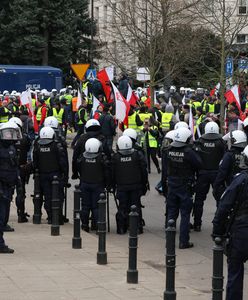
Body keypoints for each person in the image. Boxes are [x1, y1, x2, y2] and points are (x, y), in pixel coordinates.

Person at [212, 145, 248, 300]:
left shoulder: (241, 179)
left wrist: (217, 231)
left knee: (235, 272)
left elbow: (224, 206)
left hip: (241, 230)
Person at [161, 127, 202, 249]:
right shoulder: (189, 152)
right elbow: (199, 164)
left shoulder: (168, 150)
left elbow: (165, 168)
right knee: (185, 214)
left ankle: (169, 241)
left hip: (172, 184)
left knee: (172, 214)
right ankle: (183, 241)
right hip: (185, 185)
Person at [193, 122, 226, 231]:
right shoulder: (221, 142)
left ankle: (197, 224)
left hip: (202, 174)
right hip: (216, 174)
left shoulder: (200, 142)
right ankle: (219, 223)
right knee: (219, 200)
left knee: (199, 200)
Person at [111, 136, 148, 234]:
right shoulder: (137, 155)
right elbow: (143, 170)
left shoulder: (116, 157)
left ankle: (121, 228)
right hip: (135, 186)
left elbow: (112, 173)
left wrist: (111, 185)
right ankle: (137, 227)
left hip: (122, 186)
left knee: (122, 206)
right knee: (135, 206)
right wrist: (144, 183)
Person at [33, 127, 68, 223]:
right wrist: (64, 174)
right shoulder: (56, 146)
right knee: (58, 196)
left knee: (48, 197)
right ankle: (57, 217)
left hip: (43, 175)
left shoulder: (38, 146)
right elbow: (62, 162)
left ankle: (51, 217)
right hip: (55, 174)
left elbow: (35, 162)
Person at [77, 138, 110, 232]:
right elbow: (107, 171)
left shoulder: (82, 157)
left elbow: (78, 167)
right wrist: (108, 184)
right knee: (96, 207)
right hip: (98, 185)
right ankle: (98, 226)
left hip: (85, 183)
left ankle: (84, 225)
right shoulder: (102, 158)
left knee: (85, 206)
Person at [0, 122, 21, 253]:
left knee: (2, 217)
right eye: (7, 133)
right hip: (1, 187)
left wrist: (18, 181)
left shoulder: (12, 148)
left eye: (11, 133)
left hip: (8, 186)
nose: (9, 136)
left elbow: (14, 167)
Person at [213, 130, 247, 202]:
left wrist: (216, 189)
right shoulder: (246, 153)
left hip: (232, 188)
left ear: (234, 140)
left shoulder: (229, 155)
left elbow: (222, 174)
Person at [9, 117, 32, 223]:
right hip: (21, 169)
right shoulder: (25, 138)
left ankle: (5, 215)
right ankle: (21, 214)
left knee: (6, 192)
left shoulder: (5, 139)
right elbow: (29, 152)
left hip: (9, 170)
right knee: (21, 192)